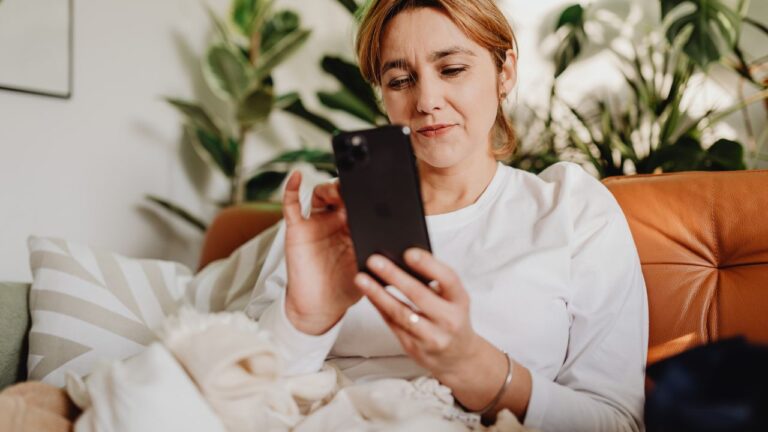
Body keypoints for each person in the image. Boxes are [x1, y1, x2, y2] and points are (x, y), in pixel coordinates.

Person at [245, 0, 648, 430]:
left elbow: (619, 422)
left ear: (505, 71)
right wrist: (306, 320)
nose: (426, 101)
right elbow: (245, 400)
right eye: (400, 80)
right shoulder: (329, 217)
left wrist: (475, 367)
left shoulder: (569, 208)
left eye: (452, 69)